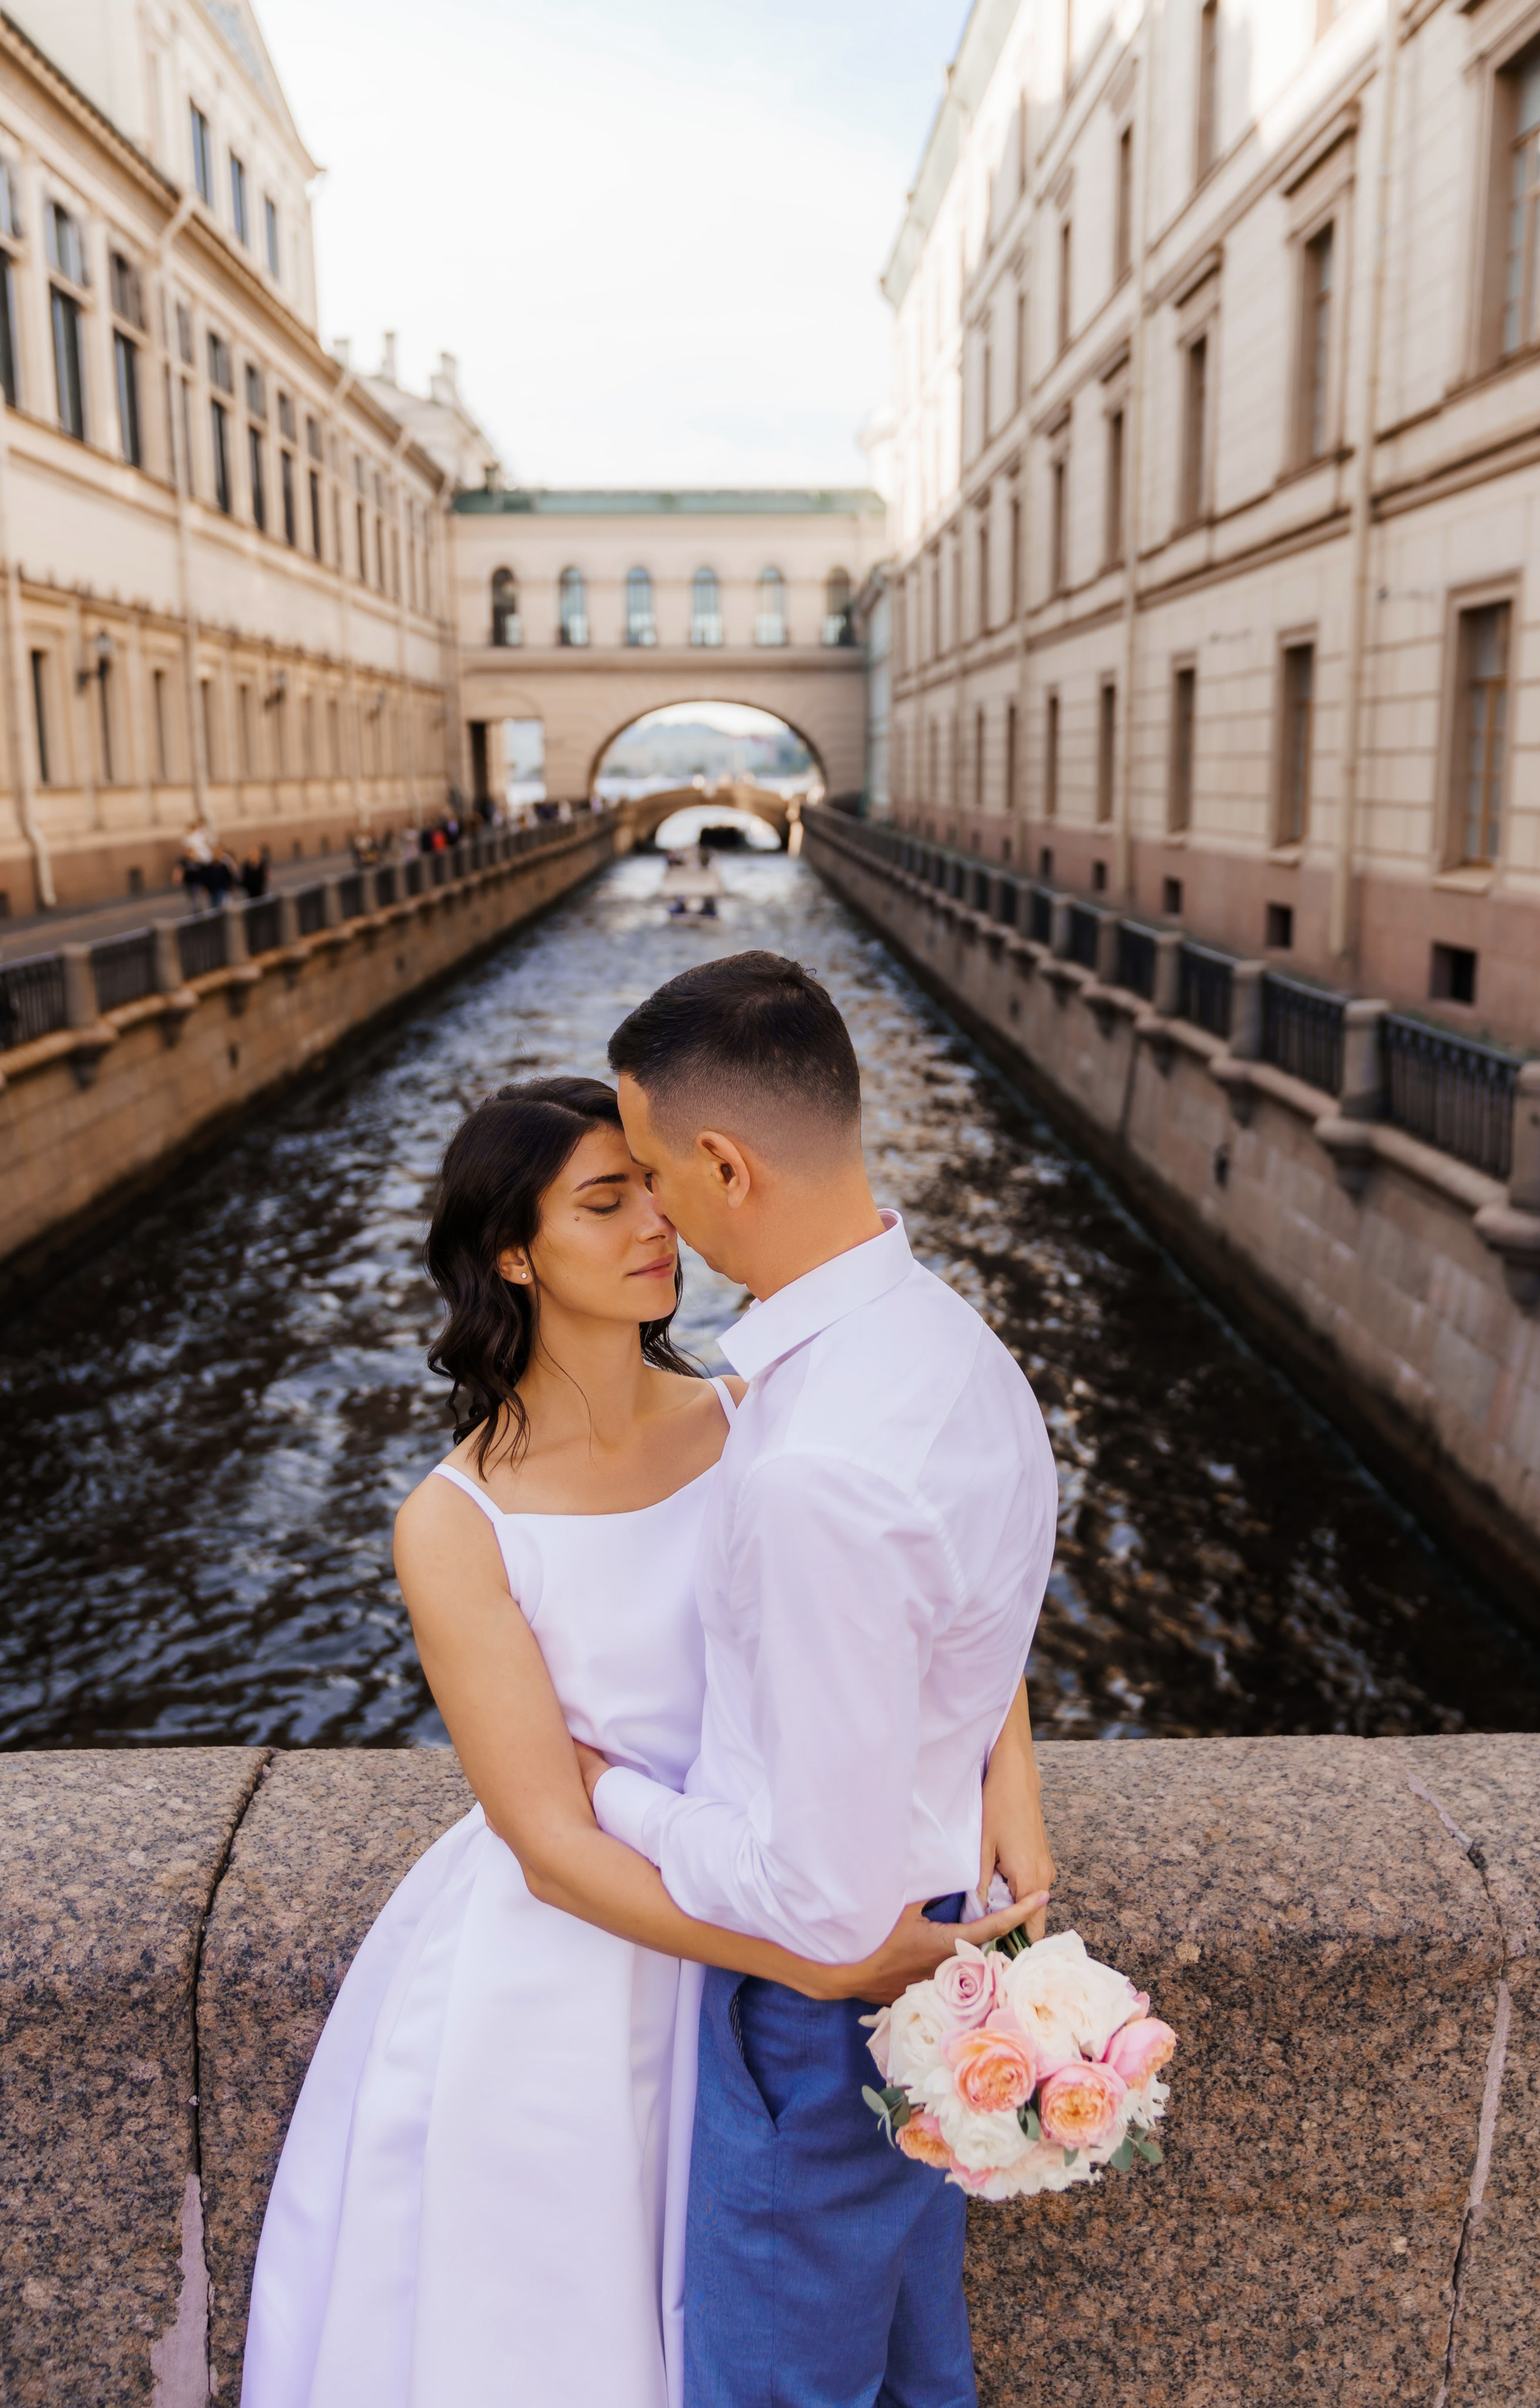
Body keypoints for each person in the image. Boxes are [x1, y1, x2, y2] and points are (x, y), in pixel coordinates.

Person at [240, 1075, 1046, 2408]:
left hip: (778, 1890)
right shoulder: (456, 1522)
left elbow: (936, 1595)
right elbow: (550, 1842)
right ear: (513, 1254)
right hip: (589, 1964)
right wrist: (818, 1962)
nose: (654, 1227)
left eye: (652, 1190)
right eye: (602, 1204)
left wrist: (1007, 1774)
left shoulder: (751, 1413)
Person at [594, 951, 1060, 2408]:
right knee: (917, 2372)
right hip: (942, 1946)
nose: (650, 1210)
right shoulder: (953, 1347)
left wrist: (619, 1798)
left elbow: (817, 1910)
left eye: (652, 1171)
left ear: (723, 1165)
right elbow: (970, 1634)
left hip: (819, 2022)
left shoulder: (814, 1470)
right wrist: (1003, 1774)